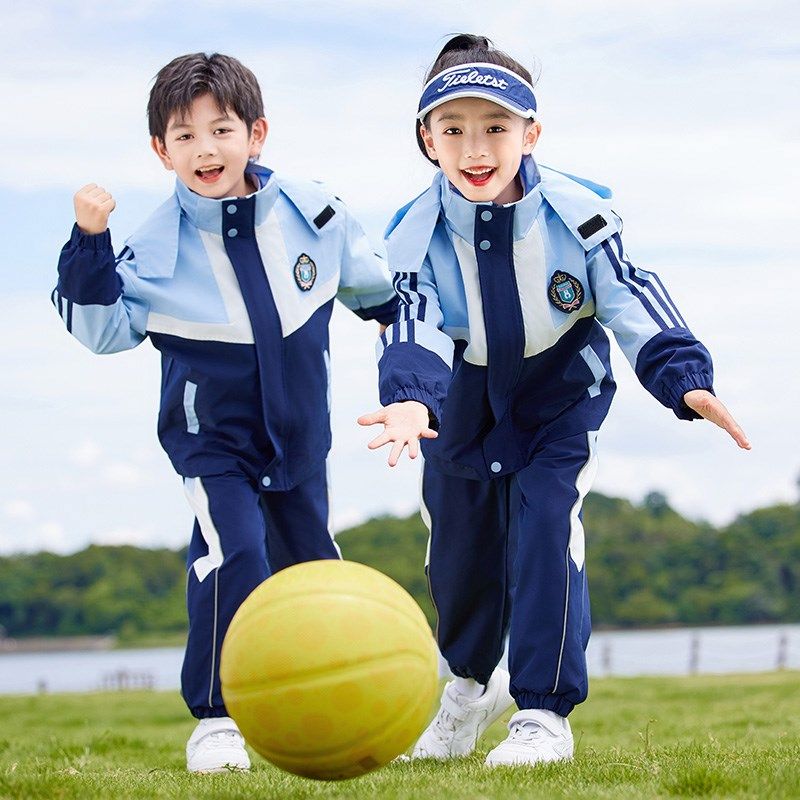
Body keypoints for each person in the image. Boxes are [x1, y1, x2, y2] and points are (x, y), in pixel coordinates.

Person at [359, 34, 750, 767]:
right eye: (454, 130)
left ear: (530, 133)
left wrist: (682, 374)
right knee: (458, 555)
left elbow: (633, 295)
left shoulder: (580, 213)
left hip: (558, 392)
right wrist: (411, 397)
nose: (475, 148)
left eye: (496, 128)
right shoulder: (411, 232)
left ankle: (542, 712)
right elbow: (406, 315)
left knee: (545, 533)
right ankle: (469, 692)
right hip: (461, 396)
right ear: (427, 139)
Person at [53, 52, 398, 773]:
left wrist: (421, 371)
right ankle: (214, 717)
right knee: (235, 552)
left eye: (221, 130)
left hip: (302, 441)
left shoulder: (315, 212)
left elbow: (379, 293)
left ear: (256, 133)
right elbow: (100, 332)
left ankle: (341, 712)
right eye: (184, 136)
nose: (205, 149)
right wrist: (89, 242)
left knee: (315, 576)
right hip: (212, 443)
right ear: (160, 150)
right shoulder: (149, 247)